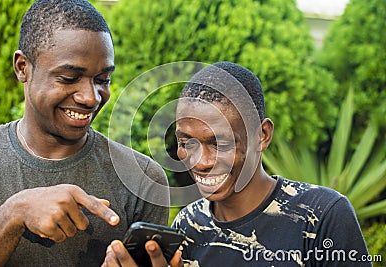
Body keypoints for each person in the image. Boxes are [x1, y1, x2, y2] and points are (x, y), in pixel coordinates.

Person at [103, 61, 371, 266]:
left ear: (261, 135)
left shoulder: (322, 216)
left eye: (221, 144)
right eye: (187, 143)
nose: (202, 162)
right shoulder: (188, 225)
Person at [0, 0, 169, 266]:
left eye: (102, 80)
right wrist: (13, 214)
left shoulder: (141, 179)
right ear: (22, 67)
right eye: (69, 78)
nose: (91, 97)